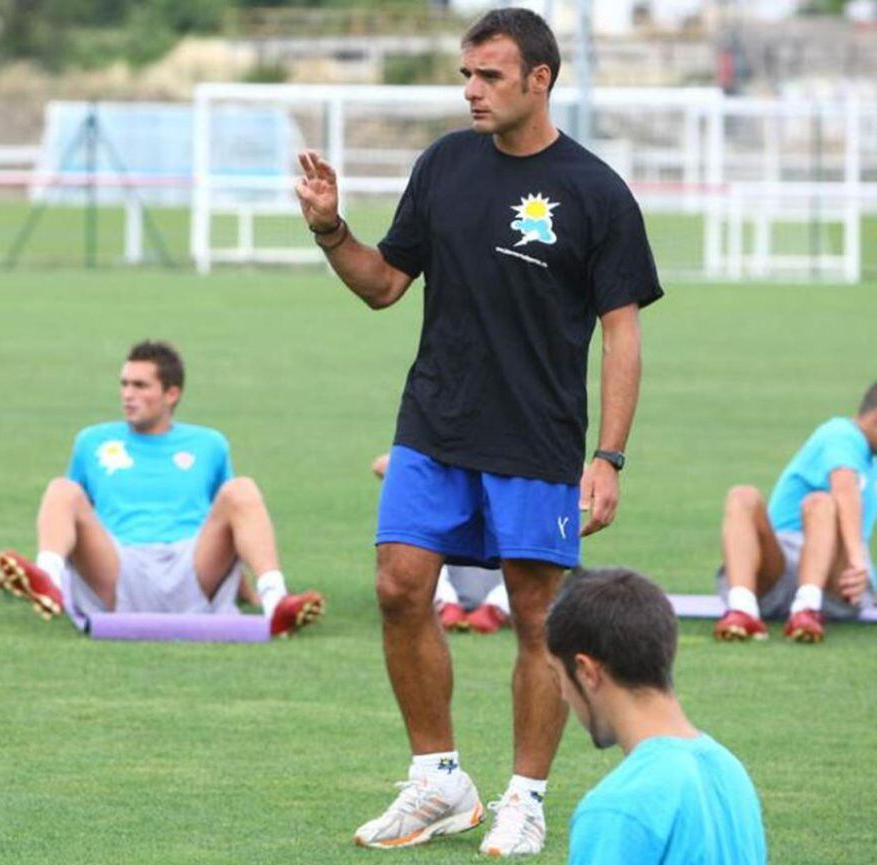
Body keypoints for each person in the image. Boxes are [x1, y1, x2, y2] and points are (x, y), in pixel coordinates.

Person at [296, 7, 662, 856]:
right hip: (435, 420)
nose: (471, 91)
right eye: (466, 74)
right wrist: (328, 228)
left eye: (489, 75)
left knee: (539, 618)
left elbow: (623, 332)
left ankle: (524, 796)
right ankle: (438, 779)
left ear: (540, 79)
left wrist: (608, 455)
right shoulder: (444, 165)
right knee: (397, 583)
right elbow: (384, 284)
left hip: (537, 437)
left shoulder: (596, 190)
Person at [0, 340, 324, 638]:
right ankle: (47, 581)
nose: (127, 394)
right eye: (124, 384)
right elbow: (69, 520)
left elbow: (231, 524)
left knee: (242, 490)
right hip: (117, 567)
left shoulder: (209, 444)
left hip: (191, 567)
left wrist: (247, 591)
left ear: (171, 393)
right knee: (62, 489)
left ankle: (275, 602)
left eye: (140, 385)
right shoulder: (92, 441)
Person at [546, 567, 767, 865]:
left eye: (558, 676)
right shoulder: (729, 772)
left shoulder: (616, 807)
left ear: (587, 671)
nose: (562, 694)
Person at [714, 382, 877, 643]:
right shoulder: (842, 435)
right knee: (745, 497)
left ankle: (806, 608)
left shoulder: (870, 457)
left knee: (820, 502)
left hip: (829, 586)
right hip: (779, 568)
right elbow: (844, 488)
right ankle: (742, 607)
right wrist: (859, 560)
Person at [373, 452, 510, 634]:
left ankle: (496, 608)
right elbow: (381, 465)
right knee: (421, 529)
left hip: (498, 567)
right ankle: (446, 603)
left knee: (538, 551)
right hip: (455, 566)